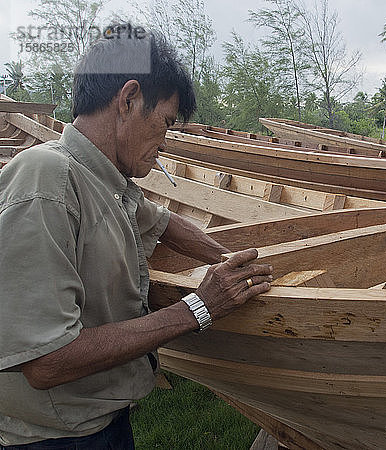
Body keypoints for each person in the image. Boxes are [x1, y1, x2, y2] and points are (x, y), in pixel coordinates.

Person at [0, 27, 273, 448]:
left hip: (103, 422)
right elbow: (47, 361)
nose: (165, 142)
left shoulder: (105, 179)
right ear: (128, 99)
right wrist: (199, 307)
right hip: (57, 437)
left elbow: (162, 222)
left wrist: (230, 261)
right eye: (165, 123)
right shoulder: (47, 177)